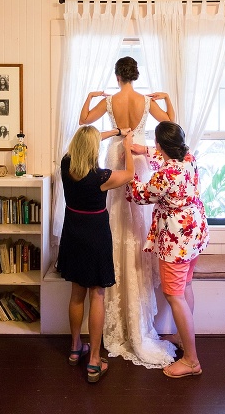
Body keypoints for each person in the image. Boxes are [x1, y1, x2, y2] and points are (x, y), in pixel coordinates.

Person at [78, 56, 176, 368]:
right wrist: (168, 99)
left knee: (115, 219)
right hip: (140, 157)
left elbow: (84, 122)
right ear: (134, 74)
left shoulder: (110, 101)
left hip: (115, 154)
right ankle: (139, 316)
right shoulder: (146, 101)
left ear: (117, 74)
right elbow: (171, 124)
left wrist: (91, 97)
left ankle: (117, 309)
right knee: (138, 220)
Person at [128, 121, 209, 378]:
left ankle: (191, 360)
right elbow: (163, 158)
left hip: (176, 238)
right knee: (185, 287)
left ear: (160, 145)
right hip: (193, 232)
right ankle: (183, 340)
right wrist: (143, 150)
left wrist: (129, 171)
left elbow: (140, 194)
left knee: (174, 295)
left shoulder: (165, 175)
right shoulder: (188, 158)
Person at [56, 125, 135, 383]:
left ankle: (75, 348)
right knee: (97, 294)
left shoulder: (67, 165)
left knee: (76, 293)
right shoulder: (102, 177)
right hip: (95, 237)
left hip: (73, 234)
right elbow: (131, 174)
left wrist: (113, 131)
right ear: (93, 149)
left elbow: (85, 141)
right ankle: (94, 361)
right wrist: (127, 145)